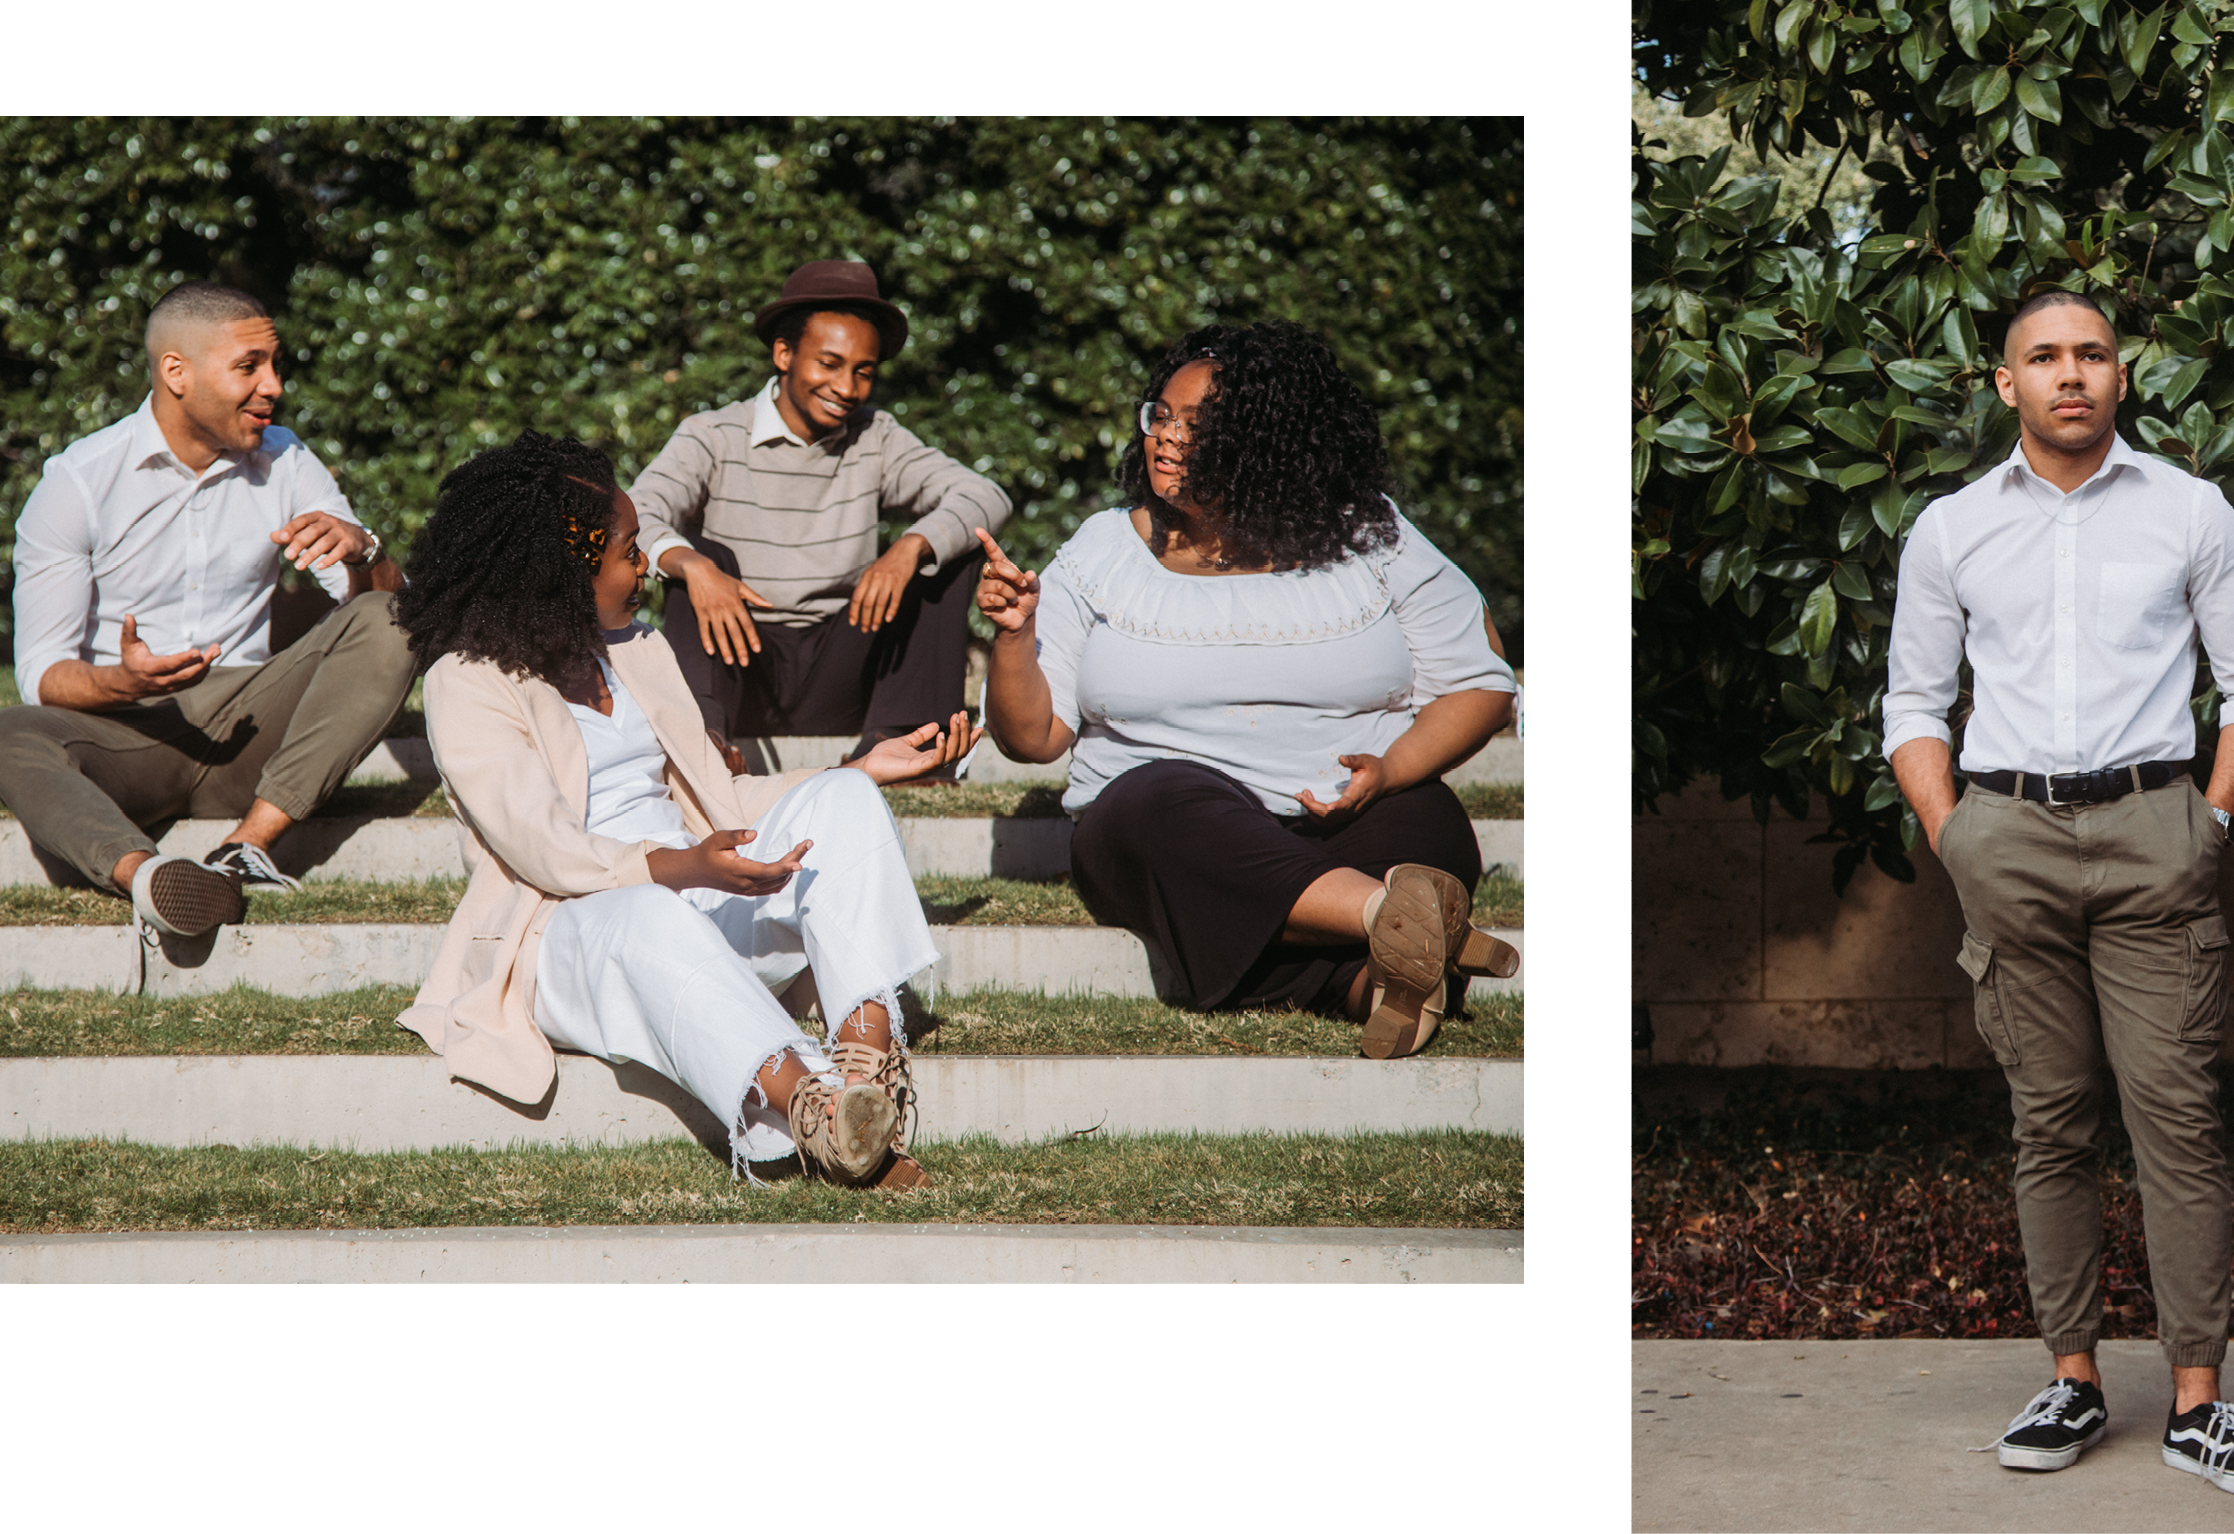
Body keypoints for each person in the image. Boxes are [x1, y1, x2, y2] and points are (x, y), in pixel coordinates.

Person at [1883, 288, 2234, 1496]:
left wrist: (2208, 821)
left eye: (2092, 353)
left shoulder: (2192, 511)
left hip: (2156, 827)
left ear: (2121, 374)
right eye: (2044, 357)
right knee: (2048, 1121)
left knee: (2177, 1119)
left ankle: (2199, 1396)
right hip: (2006, 833)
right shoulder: (1950, 527)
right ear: (2006, 383)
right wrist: (1957, 837)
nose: (2070, 374)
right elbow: (1911, 703)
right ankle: (2073, 1373)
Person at [392, 432, 975, 1186]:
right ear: (565, 568)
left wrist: (852, 769)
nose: (643, 567)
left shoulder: (633, 649)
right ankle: (821, 1116)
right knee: (648, 911)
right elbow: (544, 850)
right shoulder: (466, 681)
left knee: (846, 799)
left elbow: (718, 801)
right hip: (569, 931)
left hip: (695, 893)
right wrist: (676, 867)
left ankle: (866, 1064)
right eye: (629, 551)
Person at [973, 320, 1518, 1059]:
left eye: (1198, 425)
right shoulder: (1104, 550)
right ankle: (1391, 914)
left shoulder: (1369, 535)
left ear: (1269, 441)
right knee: (1157, 803)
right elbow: (1031, 737)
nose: (1165, 436)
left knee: (1427, 824)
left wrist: (1390, 770)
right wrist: (1013, 633)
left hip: (1344, 817)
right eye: (1159, 414)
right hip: (1174, 831)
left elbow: (1480, 685)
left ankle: (1377, 983)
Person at [0, 281, 415, 943]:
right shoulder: (80, 482)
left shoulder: (286, 458)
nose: (274, 386)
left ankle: (247, 844)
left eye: (274, 364)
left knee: (390, 616)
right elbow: (40, 670)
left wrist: (364, 550)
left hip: (248, 729)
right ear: (176, 372)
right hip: (123, 732)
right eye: (249, 367)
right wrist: (126, 684)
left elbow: (387, 608)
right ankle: (151, 877)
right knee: (5, 733)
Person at [630, 259, 1011, 763]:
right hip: (740, 662)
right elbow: (637, 512)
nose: (847, 388)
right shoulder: (713, 435)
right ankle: (706, 743)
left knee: (949, 547)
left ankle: (901, 740)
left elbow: (987, 496)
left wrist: (910, 547)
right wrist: (693, 565)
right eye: (829, 364)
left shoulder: (875, 438)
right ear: (784, 354)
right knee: (694, 558)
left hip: (840, 664)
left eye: (863, 372)